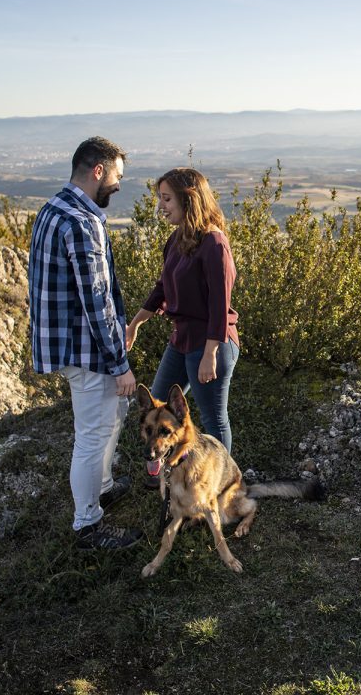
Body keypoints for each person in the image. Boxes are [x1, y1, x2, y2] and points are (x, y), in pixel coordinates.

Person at [28, 136, 144, 550]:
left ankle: (105, 487)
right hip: (88, 349)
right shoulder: (82, 221)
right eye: (116, 177)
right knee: (92, 435)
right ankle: (88, 524)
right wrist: (120, 364)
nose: (117, 185)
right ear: (98, 170)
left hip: (67, 344)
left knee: (111, 417)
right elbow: (97, 301)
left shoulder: (52, 209)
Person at [128, 167, 239, 484]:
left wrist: (210, 354)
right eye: (160, 198)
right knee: (157, 405)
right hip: (181, 340)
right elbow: (162, 288)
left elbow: (220, 304)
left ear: (188, 201)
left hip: (210, 344)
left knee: (213, 420)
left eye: (166, 199)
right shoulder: (176, 240)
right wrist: (135, 323)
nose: (161, 206)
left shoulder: (214, 244)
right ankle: (160, 468)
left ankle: (220, 484)